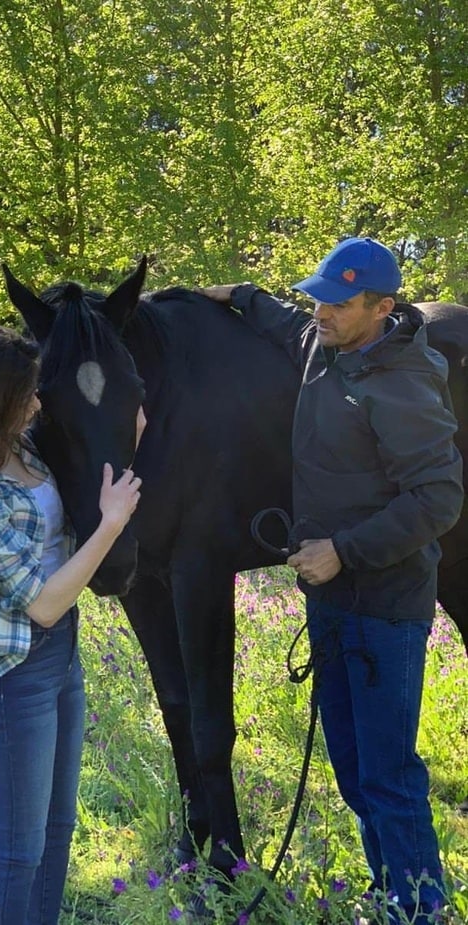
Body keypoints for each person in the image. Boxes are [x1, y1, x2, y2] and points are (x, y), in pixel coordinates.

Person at [200, 237, 464, 923]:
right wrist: (231, 296)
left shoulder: (402, 382)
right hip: (333, 602)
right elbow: (284, 320)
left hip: (384, 604)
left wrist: (343, 551)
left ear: (382, 308)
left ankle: (420, 908)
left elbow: (438, 499)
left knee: (387, 773)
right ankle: (390, 892)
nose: (320, 309)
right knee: (351, 763)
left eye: (338, 303)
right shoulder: (326, 342)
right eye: (317, 294)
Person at [0, 323, 142, 925]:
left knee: (58, 828)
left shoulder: (25, 448)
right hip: (16, 674)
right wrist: (110, 525)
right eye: (26, 394)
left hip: (61, 655)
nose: (38, 404)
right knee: (18, 851)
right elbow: (42, 603)